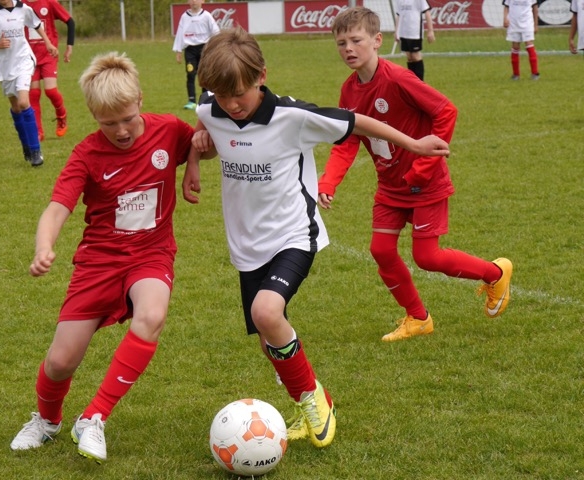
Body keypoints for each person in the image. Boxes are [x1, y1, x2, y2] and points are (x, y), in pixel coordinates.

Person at [182, 27, 450, 448]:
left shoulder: (293, 117)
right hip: (246, 245)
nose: (231, 105)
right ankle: (306, 400)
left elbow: (358, 122)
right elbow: (207, 125)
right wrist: (196, 158)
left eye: (239, 94)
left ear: (261, 76)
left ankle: (312, 398)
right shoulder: (211, 107)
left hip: (294, 234)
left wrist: (413, 144)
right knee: (269, 337)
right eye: (221, 95)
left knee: (267, 312)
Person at [9, 52, 208, 463]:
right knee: (61, 361)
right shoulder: (86, 154)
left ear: (140, 100)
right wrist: (44, 246)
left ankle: (94, 417)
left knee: (151, 315)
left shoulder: (168, 129)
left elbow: (202, 143)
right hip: (99, 263)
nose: (121, 131)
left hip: (151, 254)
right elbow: (57, 208)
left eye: (128, 119)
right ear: (93, 116)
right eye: (108, 123)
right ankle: (47, 420)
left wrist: (193, 162)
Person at [318, 7, 513, 342]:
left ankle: (495, 273)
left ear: (377, 41)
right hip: (390, 186)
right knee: (381, 250)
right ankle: (418, 318)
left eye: (356, 40)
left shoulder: (398, 79)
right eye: (341, 43)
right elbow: (347, 141)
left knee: (427, 257)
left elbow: (446, 110)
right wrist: (328, 182)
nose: (348, 48)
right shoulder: (348, 91)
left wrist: (423, 168)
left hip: (425, 184)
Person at [0, 0, 58, 167]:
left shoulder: (23, 8)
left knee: (23, 102)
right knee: (16, 107)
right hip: (4, 66)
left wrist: (48, 42)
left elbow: (36, 24)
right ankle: (26, 145)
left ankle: (36, 151)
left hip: (23, 61)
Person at [23, 0, 75, 141]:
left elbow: (70, 22)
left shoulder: (49, 3)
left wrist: (69, 47)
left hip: (49, 55)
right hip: (29, 57)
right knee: (33, 94)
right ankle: (38, 131)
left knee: (50, 91)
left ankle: (61, 115)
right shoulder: (21, 5)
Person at [172, 0, 220, 110]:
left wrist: (217, 47)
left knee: (205, 75)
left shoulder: (207, 16)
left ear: (202, 1)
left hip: (204, 49)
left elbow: (216, 32)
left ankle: (206, 100)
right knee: (190, 74)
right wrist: (178, 50)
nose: (194, 1)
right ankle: (191, 100)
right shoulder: (184, 17)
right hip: (190, 50)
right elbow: (180, 33)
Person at [393, 0, 435, 81]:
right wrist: (396, 31)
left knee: (415, 56)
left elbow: (427, 12)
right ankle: (412, 82)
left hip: (414, 33)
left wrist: (430, 31)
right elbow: (398, 15)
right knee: (409, 57)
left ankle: (420, 82)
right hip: (403, 33)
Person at [503, 0, 540, 80]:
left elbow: (535, 8)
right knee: (515, 46)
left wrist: (536, 25)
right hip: (513, 24)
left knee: (529, 44)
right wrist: (505, 18)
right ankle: (516, 74)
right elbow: (506, 6)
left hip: (527, 23)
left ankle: (535, 73)